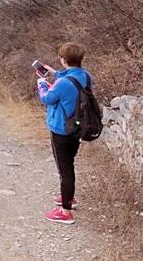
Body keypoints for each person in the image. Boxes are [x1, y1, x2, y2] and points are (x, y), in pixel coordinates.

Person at [36, 42, 93, 225]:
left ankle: (66, 211)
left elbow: (46, 99)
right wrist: (54, 73)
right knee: (69, 162)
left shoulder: (61, 84)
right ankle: (67, 196)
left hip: (61, 129)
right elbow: (71, 79)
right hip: (77, 127)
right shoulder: (85, 76)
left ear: (64, 59)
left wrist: (42, 84)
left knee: (65, 169)